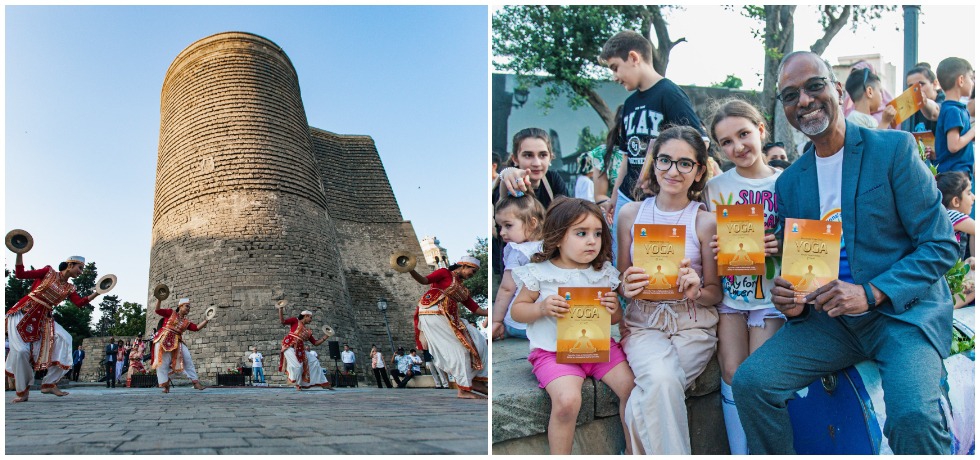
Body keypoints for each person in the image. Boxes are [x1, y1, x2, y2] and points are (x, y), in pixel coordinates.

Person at [732, 50, 959, 455]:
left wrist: (870, 292)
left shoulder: (893, 150)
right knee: (752, 384)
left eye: (814, 86)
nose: (803, 100)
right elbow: (802, 265)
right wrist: (791, 299)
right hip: (830, 323)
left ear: (837, 90)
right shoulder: (791, 183)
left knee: (913, 419)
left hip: (900, 316)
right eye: (790, 95)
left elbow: (941, 245)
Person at [615, 126, 723, 454]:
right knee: (660, 381)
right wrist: (627, 285)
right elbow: (619, 278)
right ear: (653, 163)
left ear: (699, 171)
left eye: (684, 163)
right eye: (665, 161)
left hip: (694, 326)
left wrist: (695, 290)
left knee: (646, 397)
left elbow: (715, 293)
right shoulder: (630, 214)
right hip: (644, 324)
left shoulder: (704, 221)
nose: (673, 171)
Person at [510, 197, 636, 455]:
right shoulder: (540, 272)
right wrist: (541, 308)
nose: (592, 240)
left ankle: (634, 450)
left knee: (632, 389)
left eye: (597, 233)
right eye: (581, 233)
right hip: (553, 353)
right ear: (557, 237)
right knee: (568, 401)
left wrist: (614, 309)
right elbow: (517, 311)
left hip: (599, 348)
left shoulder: (603, 273)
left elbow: (613, 319)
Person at [704, 99, 785, 454]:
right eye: (726, 142)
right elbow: (702, 239)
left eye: (743, 134)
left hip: (770, 298)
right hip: (730, 296)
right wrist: (714, 243)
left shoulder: (787, 182)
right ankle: (742, 451)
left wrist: (779, 244)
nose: (737, 147)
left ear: (761, 131)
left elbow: (808, 238)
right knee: (732, 372)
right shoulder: (715, 187)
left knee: (757, 378)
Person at [599, 31, 708, 268]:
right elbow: (627, 156)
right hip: (627, 199)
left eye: (615, 67)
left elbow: (700, 141)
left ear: (633, 57)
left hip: (658, 200)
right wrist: (615, 197)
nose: (615, 76)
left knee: (659, 269)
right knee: (622, 267)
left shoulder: (668, 93)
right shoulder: (629, 103)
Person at [5, 254, 100, 402]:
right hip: (24, 313)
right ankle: (22, 392)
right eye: (79, 268)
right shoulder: (48, 272)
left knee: (66, 339)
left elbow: (79, 303)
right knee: (21, 352)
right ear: (70, 265)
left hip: (44, 318)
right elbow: (20, 274)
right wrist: (19, 253)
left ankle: (49, 383)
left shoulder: (69, 287)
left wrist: (97, 292)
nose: (80, 272)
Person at [493, 128, 569, 280]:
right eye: (528, 155)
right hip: (517, 272)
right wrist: (505, 175)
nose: (536, 163)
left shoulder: (553, 179)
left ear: (551, 157)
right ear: (515, 158)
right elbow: (502, 201)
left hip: (549, 267)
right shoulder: (509, 183)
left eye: (542, 155)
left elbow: (568, 218)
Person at [408, 256, 489, 399]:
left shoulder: (462, 288)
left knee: (478, 341)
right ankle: (463, 389)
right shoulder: (444, 273)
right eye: (473, 271)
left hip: (450, 317)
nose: (472, 275)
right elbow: (424, 280)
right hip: (433, 312)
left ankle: (474, 381)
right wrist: (410, 269)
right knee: (460, 350)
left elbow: (475, 309)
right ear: (464, 265)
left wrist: (494, 311)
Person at [490, 194, 546, 341]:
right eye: (500, 226)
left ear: (532, 223)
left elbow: (506, 289)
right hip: (547, 322)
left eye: (508, 225)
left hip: (518, 324)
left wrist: (496, 321)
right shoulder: (552, 246)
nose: (501, 232)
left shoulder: (517, 251)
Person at [150, 297, 210, 393]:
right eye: (187, 306)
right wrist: (159, 299)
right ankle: (165, 385)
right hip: (164, 339)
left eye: (189, 308)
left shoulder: (186, 322)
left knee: (187, 359)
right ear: (180, 306)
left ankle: (195, 382)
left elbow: (196, 328)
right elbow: (157, 310)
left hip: (177, 341)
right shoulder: (170, 313)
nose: (188, 309)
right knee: (163, 363)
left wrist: (206, 320)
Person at [933, 57, 975, 180]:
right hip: (955, 177)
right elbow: (954, 145)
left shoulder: (952, 109)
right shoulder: (953, 111)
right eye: (971, 78)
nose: (973, 82)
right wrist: (974, 131)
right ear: (961, 80)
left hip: (953, 175)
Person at [276, 306, 334, 391]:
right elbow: (283, 321)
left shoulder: (308, 331)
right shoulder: (295, 321)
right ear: (306, 316)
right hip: (289, 346)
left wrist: (326, 336)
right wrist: (280, 309)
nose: (311, 319)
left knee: (314, 361)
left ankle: (324, 383)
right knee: (298, 366)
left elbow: (315, 343)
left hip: (300, 349)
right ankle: (298, 385)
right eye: (310, 317)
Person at [589, 105, 626, 217]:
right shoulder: (605, 154)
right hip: (617, 216)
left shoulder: (656, 154)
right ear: (619, 128)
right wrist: (612, 205)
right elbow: (600, 195)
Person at [905, 63, 946, 138]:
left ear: (934, 83)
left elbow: (935, 112)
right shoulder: (909, 106)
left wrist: (924, 101)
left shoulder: (946, 102)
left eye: (921, 84)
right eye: (911, 86)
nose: (916, 89)